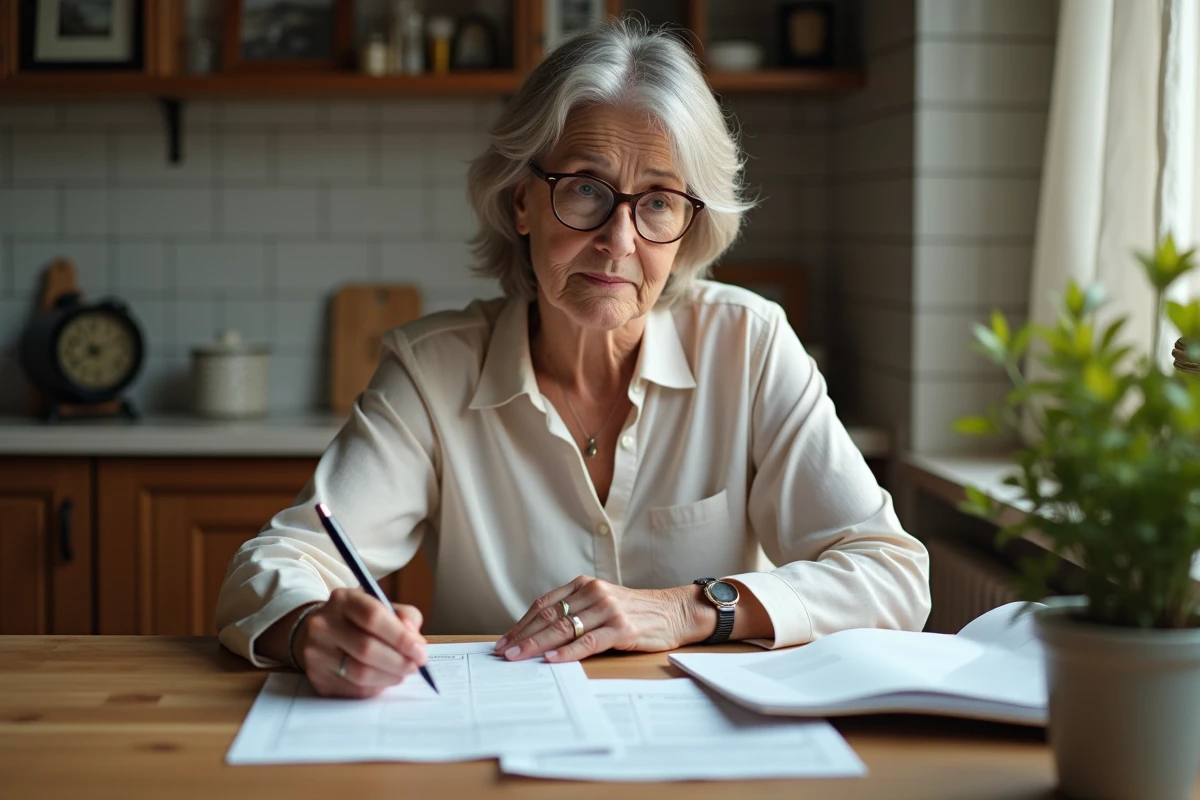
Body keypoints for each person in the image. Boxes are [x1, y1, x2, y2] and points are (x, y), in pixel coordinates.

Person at [215, 19, 931, 699]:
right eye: (586, 188)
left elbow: (893, 574)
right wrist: (315, 628)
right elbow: (273, 567)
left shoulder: (749, 345)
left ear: (688, 226)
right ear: (522, 200)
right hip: (497, 741)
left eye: (657, 202)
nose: (618, 239)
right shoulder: (432, 371)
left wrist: (689, 609)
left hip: (709, 751)